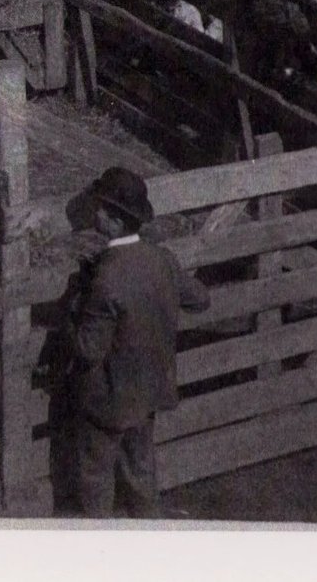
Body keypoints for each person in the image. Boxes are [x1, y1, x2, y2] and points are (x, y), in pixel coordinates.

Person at [63, 165, 210, 518]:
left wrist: (71, 309)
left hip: (107, 401)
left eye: (98, 207)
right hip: (149, 393)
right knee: (141, 471)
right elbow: (200, 299)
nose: (93, 212)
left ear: (113, 221)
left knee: (96, 478)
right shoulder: (162, 259)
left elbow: (88, 349)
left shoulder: (105, 278)